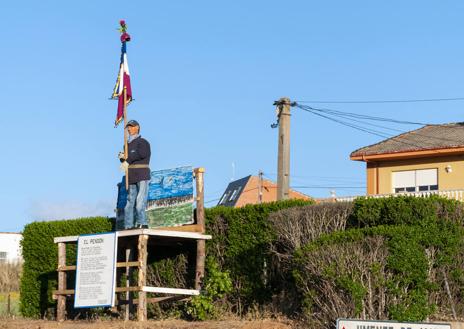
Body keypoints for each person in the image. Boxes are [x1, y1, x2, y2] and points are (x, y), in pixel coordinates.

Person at [119, 120, 151, 229]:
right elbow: (128, 160)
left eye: (132, 127)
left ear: (137, 127)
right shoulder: (126, 145)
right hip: (131, 176)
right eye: (128, 127)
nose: (129, 129)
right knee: (129, 203)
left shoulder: (143, 142)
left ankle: (142, 223)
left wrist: (128, 159)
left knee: (140, 202)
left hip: (142, 174)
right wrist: (123, 159)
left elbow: (141, 154)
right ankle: (128, 225)